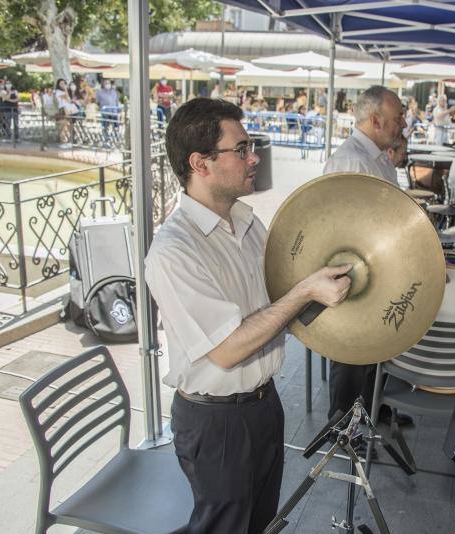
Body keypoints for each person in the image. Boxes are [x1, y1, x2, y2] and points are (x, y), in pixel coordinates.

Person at [145, 98, 351, 533]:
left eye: (250, 146)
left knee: (260, 523)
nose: (254, 157)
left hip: (263, 404)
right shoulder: (173, 250)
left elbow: (275, 299)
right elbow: (227, 350)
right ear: (200, 163)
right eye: (241, 149)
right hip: (216, 422)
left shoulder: (247, 222)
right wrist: (304, 291)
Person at [322, 85, 410, 437]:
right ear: (376, 120)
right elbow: (346, 228)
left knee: (376, 345)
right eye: (398, 117)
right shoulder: (353, 160)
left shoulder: (377, 158)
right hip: (354, 275)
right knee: (353, 353)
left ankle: (372, 408)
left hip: (377, 268)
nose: (403, 123)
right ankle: (343, 427)